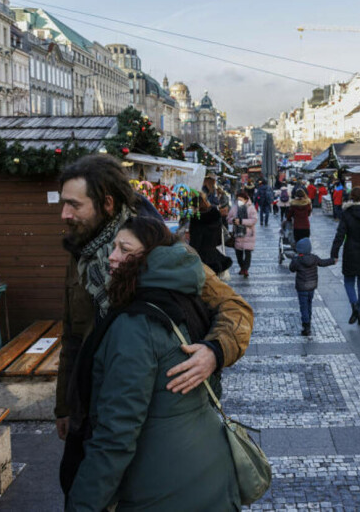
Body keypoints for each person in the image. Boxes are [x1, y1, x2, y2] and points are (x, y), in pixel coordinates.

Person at [55, 155, 253, 442]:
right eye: (63, 203)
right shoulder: (82, 257)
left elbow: (236, 307)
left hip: (156, 419)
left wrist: (214, 352)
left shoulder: (161, 248)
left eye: (74, 205)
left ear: (107, 204)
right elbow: (73, 336)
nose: (64, 214)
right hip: (94, 409)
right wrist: (64, 406)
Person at [61, 217, 241, 510]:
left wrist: (82, 504)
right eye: (113, 247)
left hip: (163, 488)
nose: (113, 256)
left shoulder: (136, 325)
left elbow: (116, 434)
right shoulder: (183, 295)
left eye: (124, 249)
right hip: (208, 471)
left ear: (151, 256)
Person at [331, 186, 360, 326]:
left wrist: (334, 252)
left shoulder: (347, 213)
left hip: (351, 251)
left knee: (349, 282)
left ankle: (354, 307)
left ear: (351, 197)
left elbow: (340, 234)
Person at [287, 238, 336, 336]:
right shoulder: (314, 258)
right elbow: (323, 263)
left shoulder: (298, 260)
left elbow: (291, 269)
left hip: (302, 288)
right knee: (309, 305)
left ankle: (306, 326)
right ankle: (308, 321)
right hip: (312, 286)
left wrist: (293, 259)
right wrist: (332, 260)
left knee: (303, 306)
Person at [189, 192, 233, 277]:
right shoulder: (215, 213)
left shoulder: (196, 219)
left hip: (201, 256)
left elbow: (195, 240)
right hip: (214, 253)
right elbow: (218, 234)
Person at [227, 190, 257, 278]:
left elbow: (254, 220)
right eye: (237, 199)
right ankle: (242, 267)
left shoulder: (251, 208)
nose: (238, 201)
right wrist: (233, 220)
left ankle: (245, 269)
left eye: (240, 199)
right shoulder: (234, 207)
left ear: (245, 199)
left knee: (248, 254)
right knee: (238, 254)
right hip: (238, 234)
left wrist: (241, 221)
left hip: (248, 234)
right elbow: (228, 218)